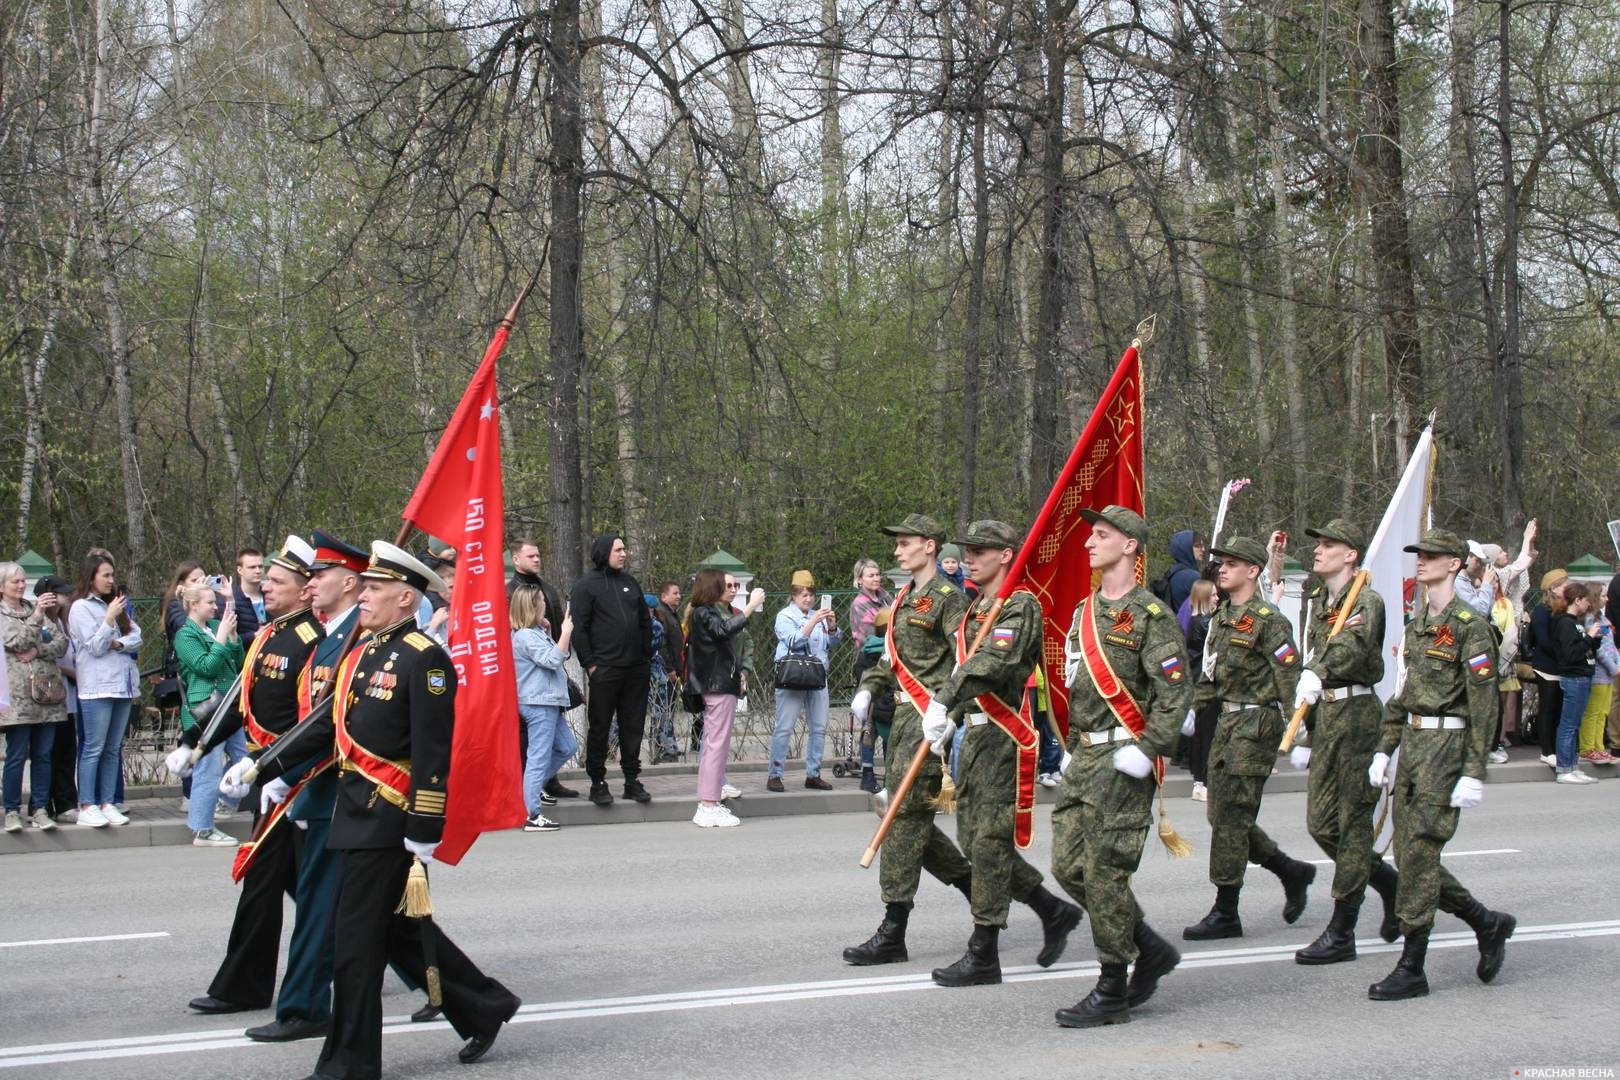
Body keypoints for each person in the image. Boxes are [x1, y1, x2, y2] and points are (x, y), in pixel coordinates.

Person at [305, 541, 522, 1077]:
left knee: (353, 945)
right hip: (353, 813)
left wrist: (425, 825)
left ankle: (350, 1064)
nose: (364, 596)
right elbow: (331, 729)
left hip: (389, 819)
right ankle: (484, 1006)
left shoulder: (426, 658)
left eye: (375, 589)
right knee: (398, 934)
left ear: (406, 597)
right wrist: (261, 769)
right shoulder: (362, 651)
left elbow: (432, 751)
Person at [927, 520, 1080, 989]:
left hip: (1001, 737)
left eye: (981, 551)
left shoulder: (1021, 606)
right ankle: (1053, 910)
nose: (969, 558)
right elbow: (964, 663)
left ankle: (984, 951)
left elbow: (995, 664)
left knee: (990, 846)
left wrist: (945, 698)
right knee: (976, 844)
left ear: (1007, 555)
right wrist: (952, 716)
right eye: (968, 550)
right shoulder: (978, 608)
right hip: (972, 737)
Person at [1050, 506, 1187, 1026]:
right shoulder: (1084, 613)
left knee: (1106, 874)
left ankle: (1111, 988)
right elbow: (1075, 688)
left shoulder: (1151, 617)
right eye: (1090, 535)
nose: (1089, 543)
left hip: (1125, 757)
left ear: (1130, 546)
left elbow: (1176, 694)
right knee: (1068, 867)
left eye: (1101, 536)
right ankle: (1149, 946)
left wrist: (1148, 748)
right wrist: (1069, 747)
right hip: (1085, 755)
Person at [1366, 528, 1516, 1000]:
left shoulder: (1471, 627)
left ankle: (1413, 966)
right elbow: (1403, 695)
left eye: (1431, 556)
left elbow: (1485, 705)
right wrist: (1383, 749)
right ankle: (1485, 921)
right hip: (1413, 749)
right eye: (1419, 555)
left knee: (1419, 854)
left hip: (1447, 753)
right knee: (1411, 856)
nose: (1422, 562)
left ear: (1455, 563)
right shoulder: (1418, 626)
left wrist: (1474, 771)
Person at [179, 535, 321, 1015]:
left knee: (268, 881)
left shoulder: (311, 643)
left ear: (305, 590)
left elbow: (309, 722)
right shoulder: (266, 635)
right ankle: (375, 952)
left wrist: (271, 769)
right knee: (308, 888)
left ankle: (243, 985)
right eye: (268, 579)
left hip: (291, 779)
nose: (267, 587)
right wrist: (193, 744)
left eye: (279, 581)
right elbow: (240, 701)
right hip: (262, 773)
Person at [844, 514, 974, 965]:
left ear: (930, 547)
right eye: (896, 544)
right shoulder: (902, 598)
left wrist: (948, 713)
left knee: (902, 819)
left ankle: (893, 929)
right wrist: (867, 689)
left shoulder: (947, 599)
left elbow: (966, 662)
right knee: (909, 819)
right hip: (899, 719)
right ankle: (991, 890)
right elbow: (889, 662)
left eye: (905, 543)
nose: (897, 552)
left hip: (927, 724)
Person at [1183, 535, 1316, 941]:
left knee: (1231, 819)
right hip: (1226, 725)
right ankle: (1290, 870)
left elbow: (1290, 679)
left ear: (1253, 571)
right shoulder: (1223, 618)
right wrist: (1188, 709)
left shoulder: (1269, 620)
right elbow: (1212, 677)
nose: (1222, 568)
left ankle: (1227, 910)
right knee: (1220, 815)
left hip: (1256, 728)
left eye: (1233, 563)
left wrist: (1303, 735)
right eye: (1221, 562)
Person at [1288, 519, 1401, 964]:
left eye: (1329, 545)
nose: (1319, 551)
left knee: (1353, 825)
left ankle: (1342, 929)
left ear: (1350, 554)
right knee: (1320, 823)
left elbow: (1352, 646)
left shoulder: (1366, 600)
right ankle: (1386, 883)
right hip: (1328, 716)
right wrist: (1307, 728)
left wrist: (1318, 670)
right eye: (1317, 544)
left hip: (1356, 716)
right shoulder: (1321, 601)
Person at [569, 533, 655, 806]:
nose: (624, 553)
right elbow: (579, 628)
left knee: (633, 726)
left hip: (636, 669)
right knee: (600, 727)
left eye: (625, 549)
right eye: (618, 549)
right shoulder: (586, 586)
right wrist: (590, 664)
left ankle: (632, 780)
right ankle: (598, 782)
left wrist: (645, 655)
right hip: (605, 669)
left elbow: (644, 621)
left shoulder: (630, 583)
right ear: (604, 552)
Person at [686, 569, 766, 827]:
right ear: (712, 587)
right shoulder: (704, 613)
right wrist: (751, 605)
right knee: (716, 745)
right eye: (725, 585)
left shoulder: (702, 613)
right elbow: (723, 631)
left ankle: (709, 802)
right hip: (717, 685)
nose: (731, 589)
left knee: (713, 744)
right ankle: (708, 805)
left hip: (720, 684)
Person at [68, 552, 142, 829]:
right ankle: (87, 804)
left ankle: (107, 802)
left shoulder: (115, 604)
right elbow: (95, 647)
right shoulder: (80, 608)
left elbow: (136, 636)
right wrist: (109, 620)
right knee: (93, 748)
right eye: (105, 575)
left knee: (113, 748)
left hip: (122, 686)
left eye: (112, 575)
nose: (111, 580)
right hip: (96, 687)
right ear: (91, 577)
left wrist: (119, 642)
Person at [171, 581, 245, 846]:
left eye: (216, 602)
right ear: (193, 605)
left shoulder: (215, 627)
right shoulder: (185, 635)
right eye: (210, 602)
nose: (216, 606)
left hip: (230, 705)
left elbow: (237, 661)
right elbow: (206, 667)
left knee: (243, 757)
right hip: (206, 709)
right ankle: (202, 829)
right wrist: (223, 637)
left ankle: (225, 800)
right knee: (209, 767)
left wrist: (232, 637)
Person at [1, 562, 69, 832]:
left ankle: (39, 808)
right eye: (14, 582)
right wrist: (38, 616)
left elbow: (61, 643)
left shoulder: (32, 609)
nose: (20, 585)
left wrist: (38, 650)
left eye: (21, 581)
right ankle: (11, 810)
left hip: (47, 696)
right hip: (18, 698)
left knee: (44, 754)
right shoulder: (8, 614)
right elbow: (15, 641)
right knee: (17, 756)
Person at [513, 584, 578, 831]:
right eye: (540, 600)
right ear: (531, 606)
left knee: (567, 747)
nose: (544, 603)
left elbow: (549, 656)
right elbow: (552, 660)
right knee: (538, 758)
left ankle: (531, 787)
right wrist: (566, 631)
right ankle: (531, 813)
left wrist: (551, 633)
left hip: (547, 701)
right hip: (538, 702)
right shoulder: (525, 635)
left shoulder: (533, 632)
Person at [768, 571, 841, 791]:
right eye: (802, 595)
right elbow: (794, 640)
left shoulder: (818, 616)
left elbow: (831, 643)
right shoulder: (785, 616)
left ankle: (813, 774)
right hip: (792, 677)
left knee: (819, 727)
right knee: (784, 727)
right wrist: (813, 621)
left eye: (810, 594)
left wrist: (832, 625)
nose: (807, 599)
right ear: (793, 596)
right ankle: (775, 774)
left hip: (817, 677)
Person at [35, 573, 79, 819]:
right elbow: (46, 653)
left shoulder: (63, 622)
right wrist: (71, 672)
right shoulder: (43, 623)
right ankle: (50, 801)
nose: (67, 597)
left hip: (66, 695)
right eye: (61, 593)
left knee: (66, 750)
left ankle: (65, 800)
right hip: (50, 694)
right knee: (52, 751)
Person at [1548, 581, 1602, 784]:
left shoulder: (1576, 623)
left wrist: (1593, 640)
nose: (1589, 605)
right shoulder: (1565, 623)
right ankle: (1564, 769)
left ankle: (1572, 765)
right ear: (1577, 600)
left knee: (1575, 724)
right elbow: (1571, 654)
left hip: (1583, 675)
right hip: (1574, 677)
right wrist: (1588, 637)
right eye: (1587, 601)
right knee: (1568, 725)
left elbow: (1582, 648)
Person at [849, 559, 893, 793]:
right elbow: (869, 636)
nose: (875, 579)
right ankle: (867, 772)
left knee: (889, 716)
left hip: (890, 661)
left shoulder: (887, 598)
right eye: (870, 575)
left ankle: (890, 771)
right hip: (870, 661)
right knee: (871, 720)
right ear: (860, 579)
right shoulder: (860, 604)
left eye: (877, 574)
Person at [1524, 569, 1569, 764]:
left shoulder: (1563, 608)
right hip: (1546, 665)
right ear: (1553, 587)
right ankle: (1546, 750)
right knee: (1548, 707)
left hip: (1560, 666)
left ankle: (1555, 748)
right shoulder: (1542, 610)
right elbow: (1543, 640)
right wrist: (1562, 654)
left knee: (1558, 708)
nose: (1568, 586)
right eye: (1563, 583)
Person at [1184, 579, 1218, 802]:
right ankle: (1201, 781)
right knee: (1205, 735)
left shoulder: (1200, 621)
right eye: (1213, 595)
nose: (1217, 598)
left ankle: (1201, 780)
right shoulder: (1203, 623)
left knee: (1202, 735)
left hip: (1199, 683)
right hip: (1205, 684)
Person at [649, 582, 685, 764]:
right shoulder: (662, 615)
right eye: (675, 593)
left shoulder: (671, 614)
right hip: (663, 672)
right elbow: (662, 645)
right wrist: (670, 669)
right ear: (663, 596)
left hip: (672, 670)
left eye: (679, 593)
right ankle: (664, 748)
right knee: (662, 710)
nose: (679, 596)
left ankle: (668, 746)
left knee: (668, 710)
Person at [1579, 603, 1618, 765]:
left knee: (1603, 712)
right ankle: (1587, 748)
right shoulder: (1590, 621)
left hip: (1610, 673)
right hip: (1599, 673)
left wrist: (1617, 665)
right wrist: (1612, 666)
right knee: (1593, 712)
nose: (1606, 598)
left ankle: (1599, 747)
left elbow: (1612, 646)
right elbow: (1599, 650)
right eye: (1602, 595)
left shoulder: (1604, 619)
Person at [1162, 530, 1205, 625]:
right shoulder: (1192, 577)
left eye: (1202, 545)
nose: (1203, 549)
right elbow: (1205, 612)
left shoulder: (1173, 572)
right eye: (1197, 546)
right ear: (1185, 549)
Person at [234, 547, 266, 638]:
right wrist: (253, 636)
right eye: (252, 567)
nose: (258, 571)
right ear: (240, 570)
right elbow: (227, 639)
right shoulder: (230, 600)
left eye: (260, 566)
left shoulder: (271, 596)